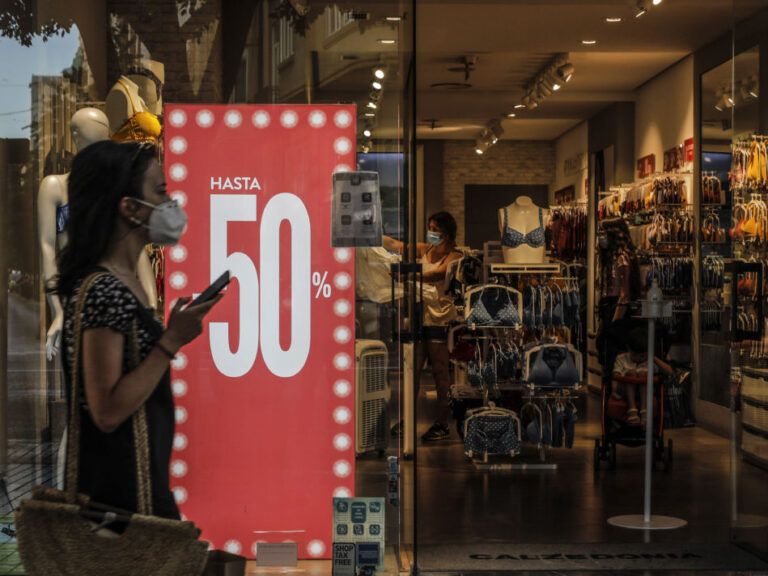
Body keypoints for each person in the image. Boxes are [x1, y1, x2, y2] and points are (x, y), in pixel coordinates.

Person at [55, 140, 221, 518]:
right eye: (160, 192)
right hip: (120, 508)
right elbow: (107, 410)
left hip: (137, 494)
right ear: (129, 208)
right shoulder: (103, 291)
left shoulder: (122, 282)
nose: (170, 203)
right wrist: (171, 340)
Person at [384, 212, 462, 441]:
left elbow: (438, 274)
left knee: (440, 372)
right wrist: (375, 236)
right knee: (413, 371)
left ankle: (442, 422)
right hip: (421, 315)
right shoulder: (425, 250)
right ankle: (408, 420)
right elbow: (398, 245)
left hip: (439, 318)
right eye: (429, 227)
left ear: (446, 232)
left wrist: (408, 273)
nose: (431, 232)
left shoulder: (453, 255)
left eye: (434, 228)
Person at [612, 329, 674, 428]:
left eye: (642, 356)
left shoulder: (649, 360)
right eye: (635, 355)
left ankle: (644, 410)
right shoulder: (622, 358)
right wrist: (614, 391)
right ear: (629, 349)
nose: (639, 359)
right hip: (624, 390)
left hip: (645, 391)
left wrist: (653, 358)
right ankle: (632, 409)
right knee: (631, 372)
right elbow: (615, 376)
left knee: (643, 373)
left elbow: (670, 372)